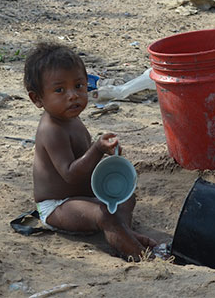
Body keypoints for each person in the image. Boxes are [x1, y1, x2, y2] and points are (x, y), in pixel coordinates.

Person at [23, 42, 157, 260]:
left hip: (84, 198)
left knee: (126, 199)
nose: (73, 95)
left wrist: (108, 155)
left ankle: (124, 234)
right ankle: (140, 255)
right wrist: (96, 149)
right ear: (37, 98)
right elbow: (69, 173)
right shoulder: (51, 130)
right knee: (106, 215)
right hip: (59, 206)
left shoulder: (71, 119)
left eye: (79, 86)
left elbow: (85, 160)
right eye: (60, 90)